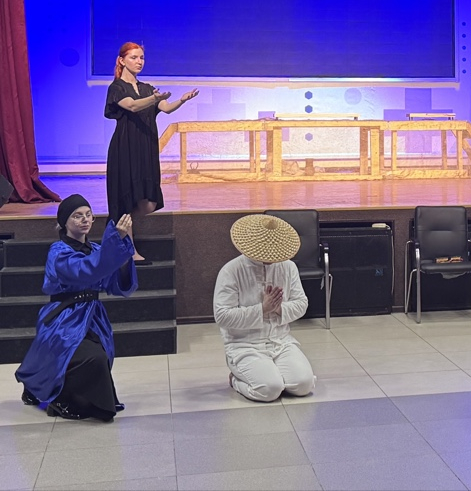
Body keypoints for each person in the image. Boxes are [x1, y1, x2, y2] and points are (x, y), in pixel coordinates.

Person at [15, 194, 137, 422]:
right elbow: (85, 270)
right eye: (77, 216)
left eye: (88, 215)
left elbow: (116, 284)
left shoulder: (96, 250)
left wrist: (121, 257)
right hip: (65, 319)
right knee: (91, 359)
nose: (85, 220)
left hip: (92, 318)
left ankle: (46, 389)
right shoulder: (58, 251)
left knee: (100, 356)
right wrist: (113, 245)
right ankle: (61, 398)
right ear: (64, 222)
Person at [105, 41, 199, 262]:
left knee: (148, 203)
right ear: (122, 60)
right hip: (126, 148)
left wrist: (181, 100)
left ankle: (116, 229)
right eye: (134, 57)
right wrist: (154, 99)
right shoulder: (117, 87)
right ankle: (130, 250)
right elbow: (132, 106)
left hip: (146, 148)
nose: (139, 62)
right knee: (127, 198)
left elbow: (166, 108)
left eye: (141, 58)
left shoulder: (147, 87)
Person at [214, 214, 316, 402]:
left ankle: (273, 373)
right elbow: (222, 316)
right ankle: (236, 381)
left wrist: (278, 309)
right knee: (270, 390)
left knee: (304, 385)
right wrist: (262, 309)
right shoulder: (232, 270)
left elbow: (302, 303)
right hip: (244, 344)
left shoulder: (288, 267)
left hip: (280, 341)